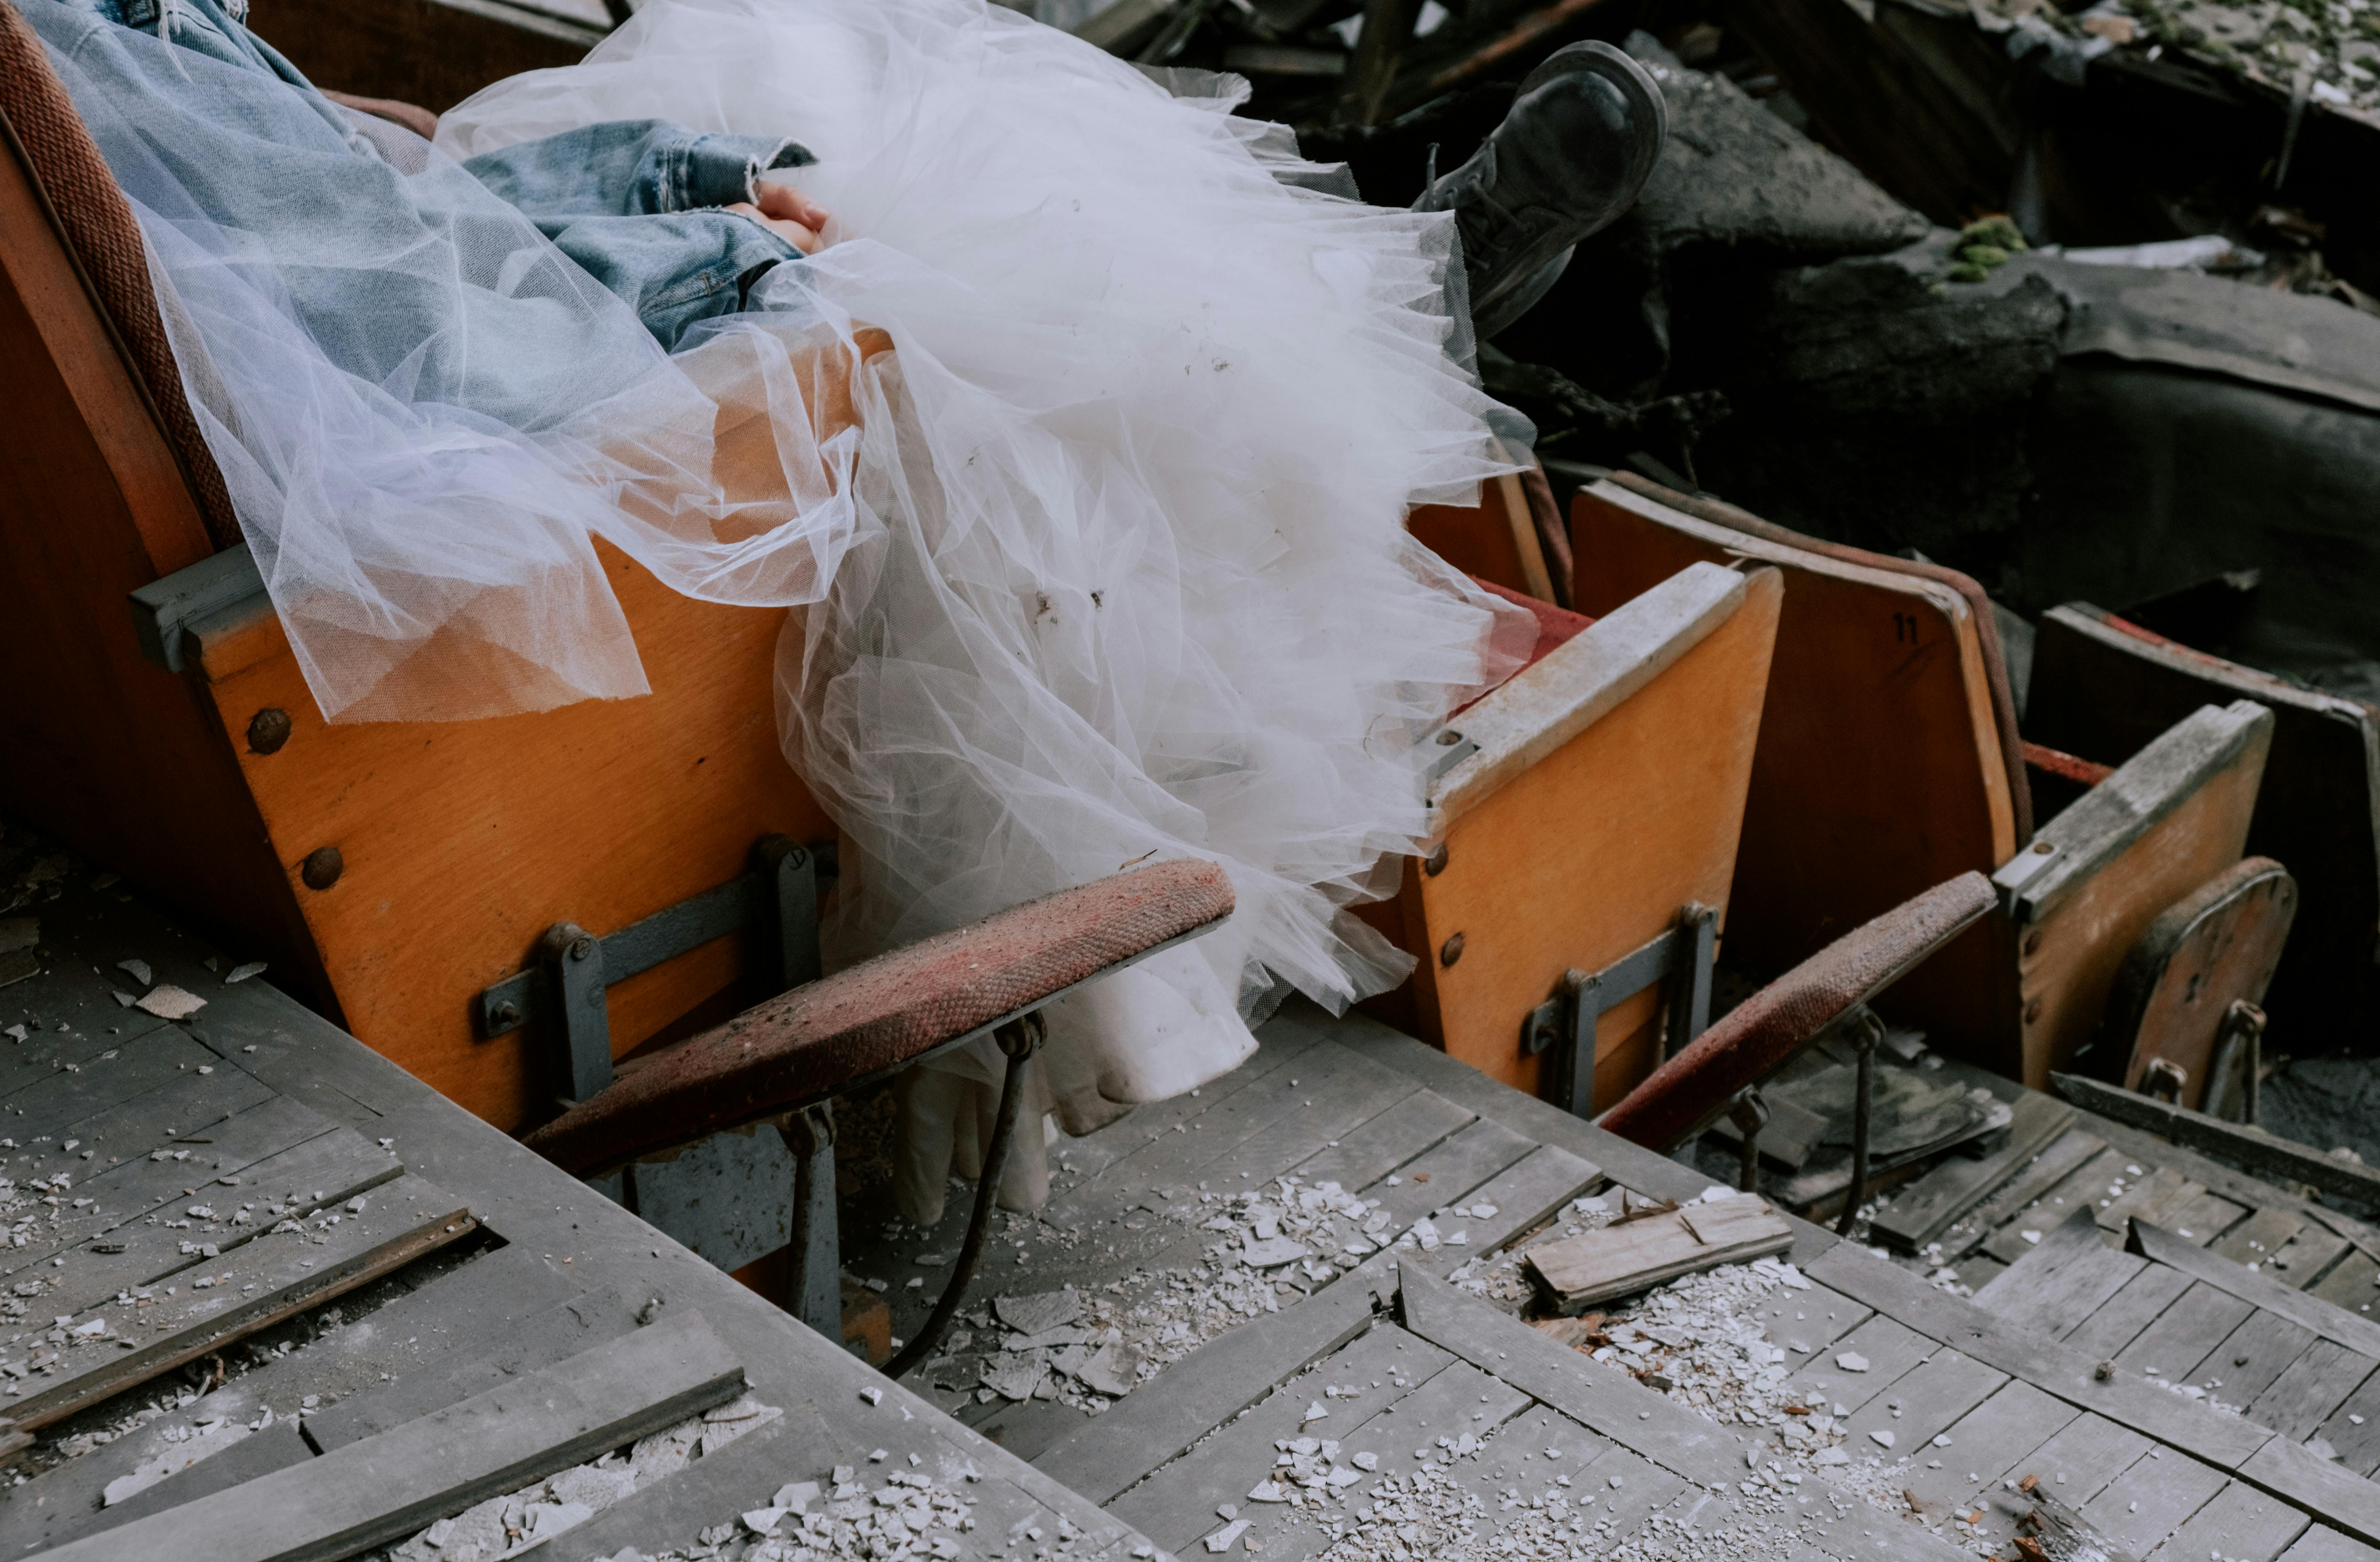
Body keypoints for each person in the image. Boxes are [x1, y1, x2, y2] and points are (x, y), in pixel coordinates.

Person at [26, 0, 1660, 1221]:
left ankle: (1386, 294)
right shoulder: (65, 55)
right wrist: (726, 261)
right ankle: (1402, 296)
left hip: (414, 363)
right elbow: (412, 327)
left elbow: (357, 211)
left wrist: (696, 181)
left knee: (794, 63)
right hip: (524, 498)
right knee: (1002, 305)